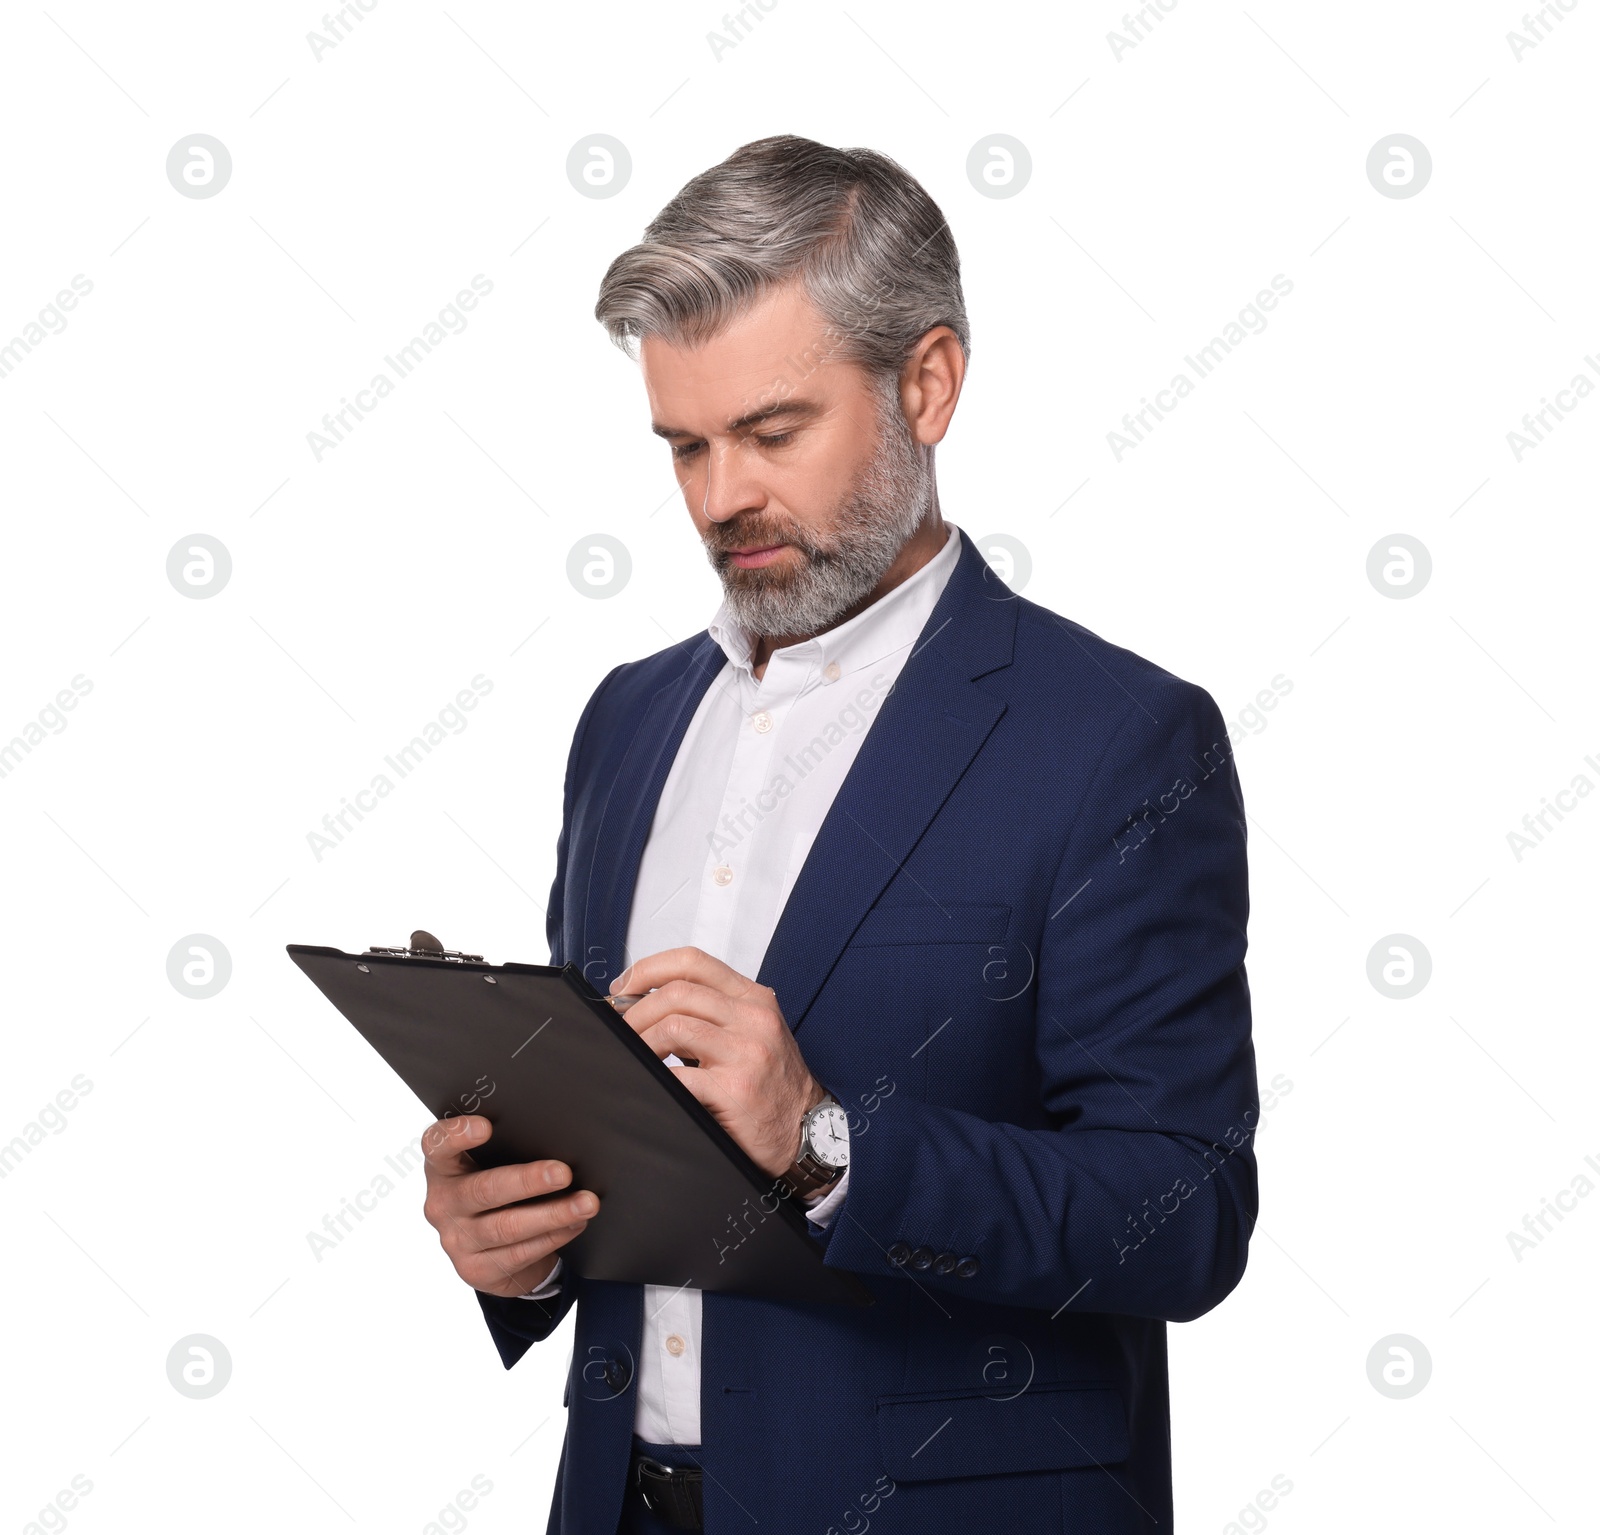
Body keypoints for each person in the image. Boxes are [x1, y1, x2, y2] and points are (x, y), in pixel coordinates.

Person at [420, 134, 1258, 1535]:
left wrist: (825, 1144)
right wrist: (519, 1239)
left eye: (771, 431)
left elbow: (1181, 1213)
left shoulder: (1116, 740)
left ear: (926, 384)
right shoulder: (623, 725)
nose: (718, 497)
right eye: (683, 444)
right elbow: (627, 1162)